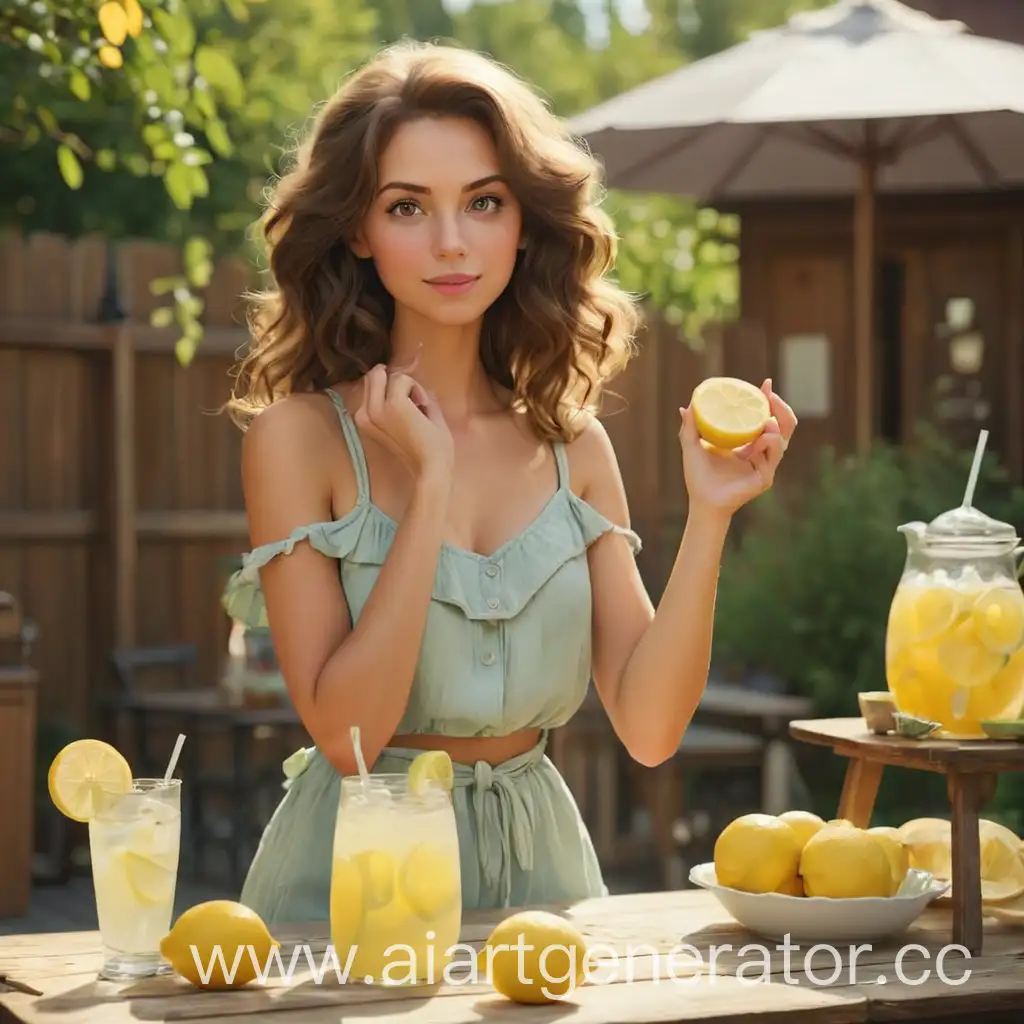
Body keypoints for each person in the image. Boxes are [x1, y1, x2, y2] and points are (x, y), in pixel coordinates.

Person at [221, 39, 797, 924]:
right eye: (407, 206)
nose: (451, 242)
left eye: (482, 202)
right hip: (353, 880)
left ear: (523, 220)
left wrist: (712, 516)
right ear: (357, 230)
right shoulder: (300, 441)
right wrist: (432, 487)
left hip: (546, 884)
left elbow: (649, 729)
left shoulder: (578, 450)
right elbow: (347, 739)